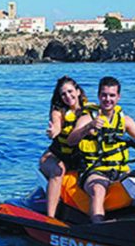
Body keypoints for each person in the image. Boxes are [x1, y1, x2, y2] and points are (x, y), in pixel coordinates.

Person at [66, 76, 135, 223]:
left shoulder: (125, 120)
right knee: (98, 189)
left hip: (119, 170)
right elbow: (71, 140)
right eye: (104, 95)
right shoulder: (88, 118)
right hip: (94, 170)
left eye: (112, 95)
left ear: (118, 97)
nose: (107, 99)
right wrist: (89, 127)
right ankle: (98, 226)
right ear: (99, 96)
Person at [39, 76, 94, 218]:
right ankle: (50, 217)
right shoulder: (58, 112)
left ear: (78, 91)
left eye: (70, 91)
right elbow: (56, 124)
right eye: (63, 94)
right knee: (59, 170)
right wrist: (54, 131)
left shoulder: (90, 111)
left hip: (77, 161)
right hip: (53, 158)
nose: (68, 96)